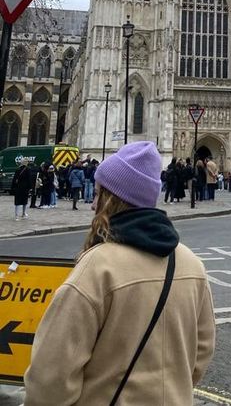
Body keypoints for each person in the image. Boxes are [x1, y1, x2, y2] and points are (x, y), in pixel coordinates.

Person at [23, 141, 215, 406]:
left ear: (110, 198)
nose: (92, 204)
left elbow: (50, 377)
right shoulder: (192, 265)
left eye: (99, 192)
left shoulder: (97, 268)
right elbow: (201, 352)